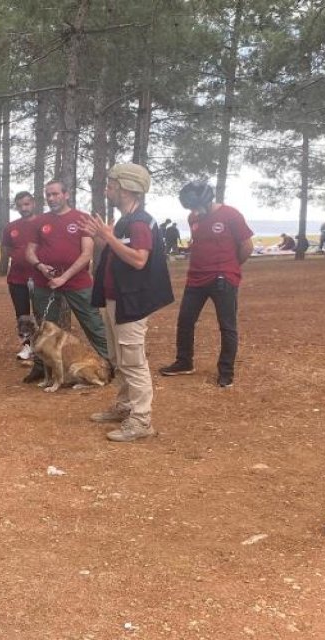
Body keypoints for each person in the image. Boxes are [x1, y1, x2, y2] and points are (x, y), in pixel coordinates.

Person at [80, 163, 174, 443]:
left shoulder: (139, 222)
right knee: (118, 359)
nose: (107, 189)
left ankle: (141, 420)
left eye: (111, 184)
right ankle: (125, 406)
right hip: (116, 299)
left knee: (133, 361)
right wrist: (103, 238)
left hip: (131, 302)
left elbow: (138, 259)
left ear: (125, 188)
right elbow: (116, 255)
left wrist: (108, 236)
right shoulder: (125, 221)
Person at [158, 179, 253, 387]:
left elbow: (246, 245)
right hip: (196, 278)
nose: (195, 211)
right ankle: (184, 362)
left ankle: (226, 372)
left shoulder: (231, 214)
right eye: (191, 208)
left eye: (197, 207)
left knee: (227, 326)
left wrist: (231, 266)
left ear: (208, 200)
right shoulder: (193, 217)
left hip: (223, 279)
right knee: (185, 320)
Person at [22, 180, 110, 383]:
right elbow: (29, 251)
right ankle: (42, 368)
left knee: (93, 323)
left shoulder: (81, 218)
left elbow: (87, 254)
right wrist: (40, 267)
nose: (51, 198)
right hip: (46, 282)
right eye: (48, 195)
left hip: (77, 282)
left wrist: (64, 277)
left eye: (55, 194)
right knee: (43, 329)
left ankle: (108, 364)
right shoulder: (40, 221)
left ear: (66, 194)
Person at [3, 191, 37, 360]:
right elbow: (9, 250)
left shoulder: (42, 223)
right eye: (20, 205)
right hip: (17, 278)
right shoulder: (11, 227)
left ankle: (42, 347)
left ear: (33, 204)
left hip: (40, 278)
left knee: (41, 315)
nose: (24, 208)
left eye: (27, 204)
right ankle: (26, 347)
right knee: (22, 315)